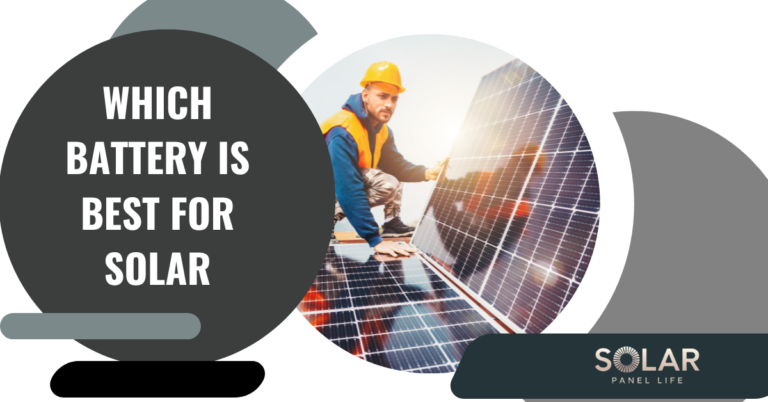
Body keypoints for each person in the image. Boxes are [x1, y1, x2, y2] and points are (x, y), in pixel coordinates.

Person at [321, 61, 448, 257]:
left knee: (390, 175)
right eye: (382, 96)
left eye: (394, 99)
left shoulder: (383, 131)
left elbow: (395, 165)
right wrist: (374, 239)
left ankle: (392, 223)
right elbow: (348, 186)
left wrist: (427, 172)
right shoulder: (342, 131)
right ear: (365, 95)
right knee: (387, 183)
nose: (389, 104)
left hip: (342, 184)